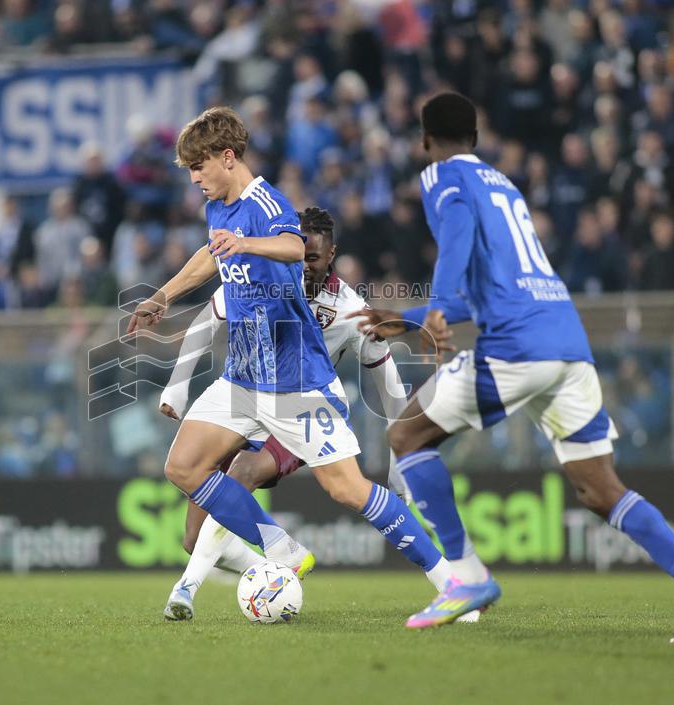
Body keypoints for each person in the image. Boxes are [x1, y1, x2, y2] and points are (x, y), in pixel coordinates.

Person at [352, 92, 674, 640]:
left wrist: (435, 306)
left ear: (424, 139)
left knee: (407, 435)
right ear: (478, 138)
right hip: (566, 343)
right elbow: (495, 290)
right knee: (599, 489)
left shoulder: (442, 177)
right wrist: (418, 318)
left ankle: (465, 577)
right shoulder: (503, 184)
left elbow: (457, 239)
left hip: (517, 347)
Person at [128, 107, 452, 625]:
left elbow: (292, 245)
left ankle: (449, 581)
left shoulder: (265, 201)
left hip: (294, 381)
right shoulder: (217, 207)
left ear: (227, 158)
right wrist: (162, 296)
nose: (193, 179)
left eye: (198, 167)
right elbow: (210, 256)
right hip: (242, 375)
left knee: (348, 489)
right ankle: (280, 549)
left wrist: (247, 244)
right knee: (183, 467)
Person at [158, 207, 466, 620]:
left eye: (314, 259)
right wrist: (177, 388)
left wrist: (400, 459)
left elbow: (389, 383)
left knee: (252, 472)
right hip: (248, 393)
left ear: (332, 254)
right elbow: (207, 319)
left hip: (306, 401)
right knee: (194, 537)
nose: (303, 267)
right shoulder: (260, 277)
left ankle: (186, 589)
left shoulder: (348, 309)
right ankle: (272, 574)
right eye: (297, 256)